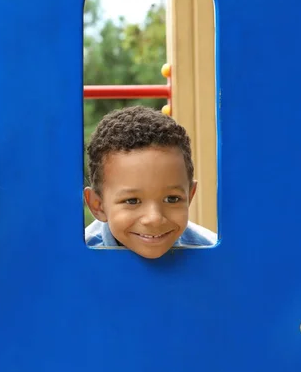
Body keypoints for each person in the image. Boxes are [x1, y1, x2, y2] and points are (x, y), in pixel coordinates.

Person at [84, 105, 216, 259]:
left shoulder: (212, 254)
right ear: (98, 205)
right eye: (132, 201)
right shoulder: (77, 262)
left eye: (172, 199)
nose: (154, 219)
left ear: (190, 195)